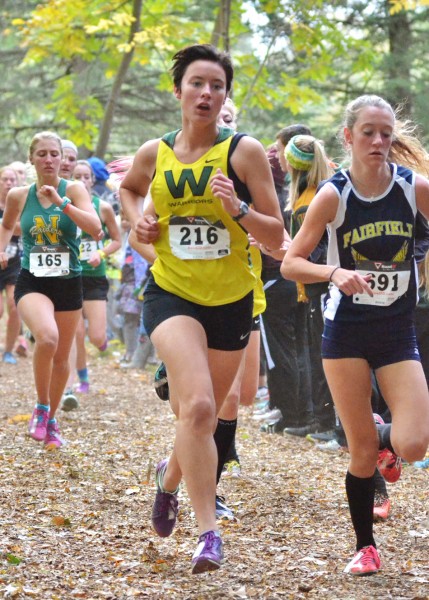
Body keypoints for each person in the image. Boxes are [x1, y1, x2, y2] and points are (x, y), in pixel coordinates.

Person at [119, 43, 284, 574]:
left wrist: (239, 210)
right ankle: (208, 535)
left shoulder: (244, 153)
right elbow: (128, 192)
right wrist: (139, 227)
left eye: (217, 85)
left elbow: (279, 237)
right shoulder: (155, 153)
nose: (207, 93)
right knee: (197, 410)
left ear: (226, 95)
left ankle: (169, 476)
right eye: (197, 83)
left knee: (205, 413)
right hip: (171, 293)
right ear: (178, 91)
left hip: (231, 299)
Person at [281, 95, 429, 575]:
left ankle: (386, 434)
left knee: (414, 444)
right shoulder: (333, 194)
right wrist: (332, 272)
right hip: (344, 331)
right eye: (368, 132)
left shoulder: (413, 189)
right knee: (360, 451)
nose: (379, 142)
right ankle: (365, 546)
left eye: (386, 133)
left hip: (394, 330)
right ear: (348, 137)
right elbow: (290, 263)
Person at [0, 131, 102, 448]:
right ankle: (41, 406)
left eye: (54, 154)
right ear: (32, 159)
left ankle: (51, 419)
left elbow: (96, 229)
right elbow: (6, 224)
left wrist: (63, 204)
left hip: (69, 282)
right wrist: (2, 248)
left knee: (61, 359)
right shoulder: (20, 195)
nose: (48, 160)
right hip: (32, 279)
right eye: (41, 154)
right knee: (47, 337)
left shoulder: (73, 189)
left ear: (61, 158)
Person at [281, 134, 336, 437]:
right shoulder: (321, 194)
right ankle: (322, 421)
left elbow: (314, 255)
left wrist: (286, 250)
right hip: (319, 288)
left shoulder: (306, 205)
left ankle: (326, 423)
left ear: (292, 164)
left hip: (320, 289)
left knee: (320, 356)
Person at [72, 159, 121, 394]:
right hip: (70, 276)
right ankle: (82, 379)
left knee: (96, 336)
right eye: (77, 176)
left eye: (86, 176)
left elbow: (117, 240)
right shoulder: (62, 207)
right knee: (76, 333)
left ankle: (101, 340)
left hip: (94, 276)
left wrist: (100, 253)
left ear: (92, 180)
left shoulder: (102, 207)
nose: (82, 181)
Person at [0, 166, 22, 364]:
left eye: (12, 180)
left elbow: (23, 229)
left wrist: (7, 224)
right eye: (5, 179)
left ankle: (8, 350)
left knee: (15, 306)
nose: (9, 183)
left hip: (14, 263)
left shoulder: (21, 205)